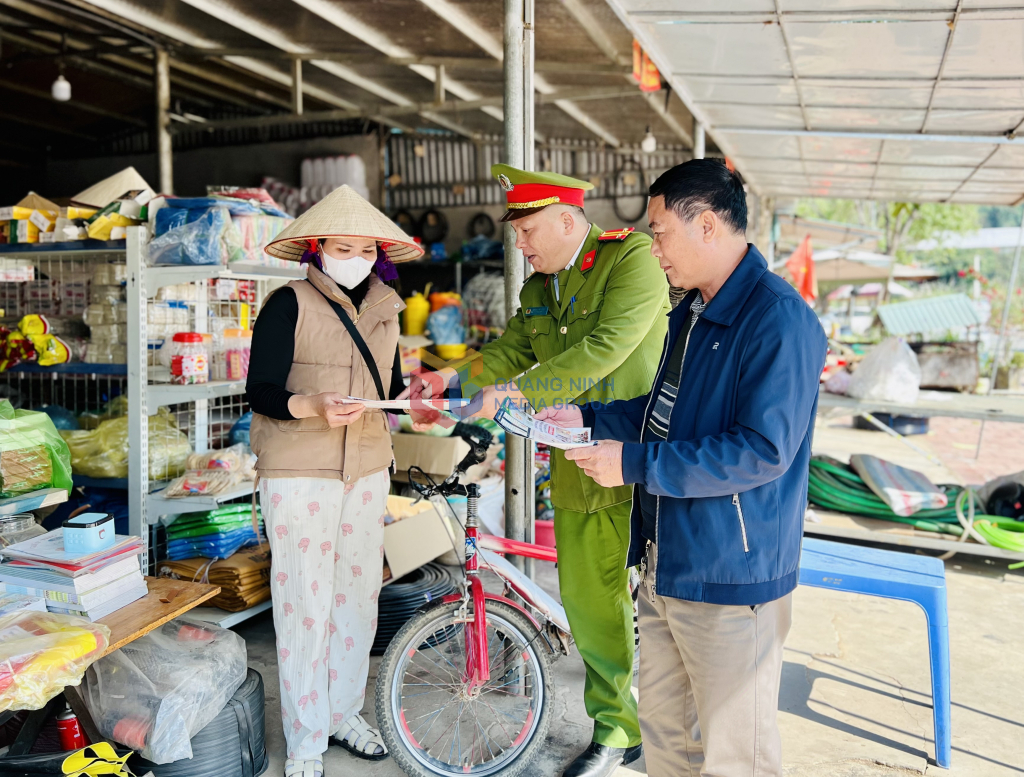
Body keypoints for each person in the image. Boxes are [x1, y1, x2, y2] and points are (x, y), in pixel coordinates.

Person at [539, 159, 827, 777]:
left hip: (731, 575)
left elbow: (761, 450)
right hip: (666, 563)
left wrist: (635, 465)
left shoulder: (778, 319)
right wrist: (588, 419)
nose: (652, 247)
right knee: (668, 743)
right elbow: (661, 411)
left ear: (705, 225)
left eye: (659, 230)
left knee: (734, 756)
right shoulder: (690, 314)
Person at [405, 164, 669, 777]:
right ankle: (617, 728)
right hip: (579, 464)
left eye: (526, 232)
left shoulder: (630, 260)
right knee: (589, 598)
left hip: (646, 459)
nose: (518, 246)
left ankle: (660, 725)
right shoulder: (538, 290)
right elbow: (512, 348)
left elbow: (606, 347)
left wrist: (518, 393)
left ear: (567, 220)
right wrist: (451, 376)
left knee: (668, 607)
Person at [247, 185, 423, 777]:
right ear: (317, 248)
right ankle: (304, 739)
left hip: (368, 467)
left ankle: (343, 712)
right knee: (303, 603)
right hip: (301, 472)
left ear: (380, 252)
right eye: (342, 246)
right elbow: (260, 390)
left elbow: (389, 389)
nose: (355, 256)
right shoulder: (287, 303)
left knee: (357, 600)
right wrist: (311, 405)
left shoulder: (388, 308)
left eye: (365, 247)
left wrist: (412, 402)